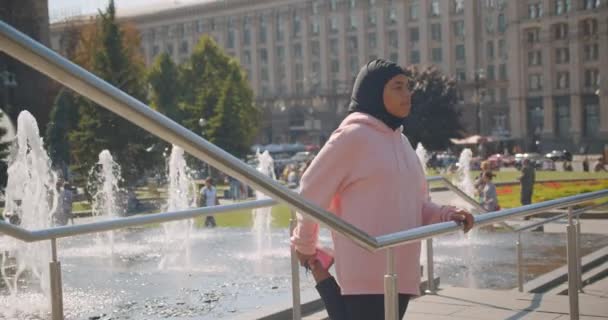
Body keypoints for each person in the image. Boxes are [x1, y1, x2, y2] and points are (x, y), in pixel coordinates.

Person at [291, 59, 475, 320]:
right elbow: (311, 191)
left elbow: (417, 205)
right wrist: (306, 244)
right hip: (366, 273)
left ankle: (323, 280)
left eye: (408, 87)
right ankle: (323, 278)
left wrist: (447, 214)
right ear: (374, 92)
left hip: (401, 271)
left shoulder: (402, 142)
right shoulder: (351, 137)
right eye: (397, 87)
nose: (407, 94)